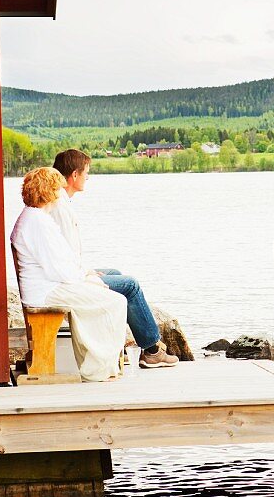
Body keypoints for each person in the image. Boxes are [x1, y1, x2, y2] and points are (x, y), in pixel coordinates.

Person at [50, 149, 178, 368]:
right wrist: (86, 273)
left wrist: (88, 271)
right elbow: (65, 256)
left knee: (114, 274)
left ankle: (119, 347)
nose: (88, 177)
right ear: (74, 175)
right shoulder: (60, 208)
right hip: (65, 281)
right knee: (130, 285)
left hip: (66, 274)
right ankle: (152, 349)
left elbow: (65, 252)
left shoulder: (60, 202)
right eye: (86, 172)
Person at [10, 167, 127, 382]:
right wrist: (84, 277)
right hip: (47, 291)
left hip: (45, 286)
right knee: (116, 301)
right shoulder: (38, 222)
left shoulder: (32, 217)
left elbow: (59, 262)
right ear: (48, 190)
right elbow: (59, 268)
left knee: (98, 290)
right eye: (57, 188)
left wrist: (85, 275)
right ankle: (97, 368)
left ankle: (95, 362)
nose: (60, 193)